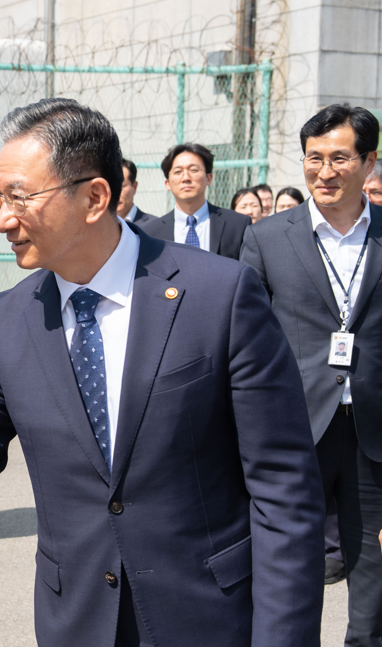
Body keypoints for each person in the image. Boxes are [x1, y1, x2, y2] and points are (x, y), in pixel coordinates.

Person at [0, 98, 326, 646]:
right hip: (78, 618)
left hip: (207, 613)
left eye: (20, 197)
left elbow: (284, 489)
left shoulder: (220, 296)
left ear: (95, 196)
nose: (2, 219)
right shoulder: (8, 320)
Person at [240, 103, 382, 646]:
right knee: (291, 565)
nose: (324, 171)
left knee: (372, 563)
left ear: (368, 162)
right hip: (295, 427)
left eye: (340, 158)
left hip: (374, 431)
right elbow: (247, 341)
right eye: (313, 158)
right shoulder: (269, 238)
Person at [138, 142, 251, 259]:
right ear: (167, 184)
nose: (186, 178)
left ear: (209, 178)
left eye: (194, 170)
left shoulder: (237, 224)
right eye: (178, 172)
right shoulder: (150, 233)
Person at [116, 158, 155, 224]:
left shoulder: (153, 224)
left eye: (122, 186)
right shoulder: (97, 226)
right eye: (111, 187)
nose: (116, 193)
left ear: (134, 187)